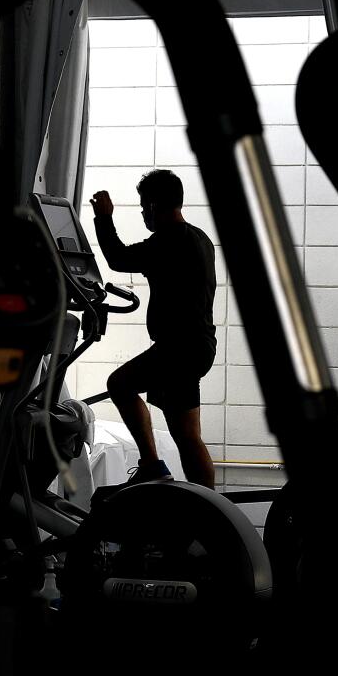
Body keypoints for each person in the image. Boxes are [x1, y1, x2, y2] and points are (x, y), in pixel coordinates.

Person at [90, 170, 220, 488]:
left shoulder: (169, 240)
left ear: (152, 205)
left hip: (179, 347)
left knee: (119, 384)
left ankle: (150, 463)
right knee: (188, 436)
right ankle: (209, 505)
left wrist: (103, 218)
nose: (142, 212)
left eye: (142, 206)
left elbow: (118, 258)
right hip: (198, 345)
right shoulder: (199, 238)